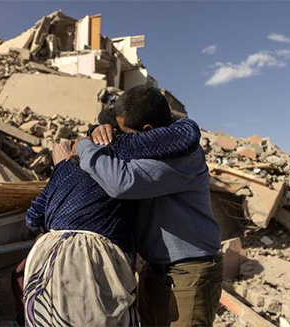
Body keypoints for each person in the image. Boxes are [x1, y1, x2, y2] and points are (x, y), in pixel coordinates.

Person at [21, 114, 201, 327]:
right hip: (90, 263)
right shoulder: (122, 150)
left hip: (44, 260)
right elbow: (186, 136)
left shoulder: (66, 165)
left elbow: (33, 218)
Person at [76, 85, 223, 327]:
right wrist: (99, 131)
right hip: (158, 272)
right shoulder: (156, 148)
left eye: (125, 132)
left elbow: (120, 183)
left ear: (148, 131)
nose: (122, 138)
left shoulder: (183, 155)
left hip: (187, 276)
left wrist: (85, 147)